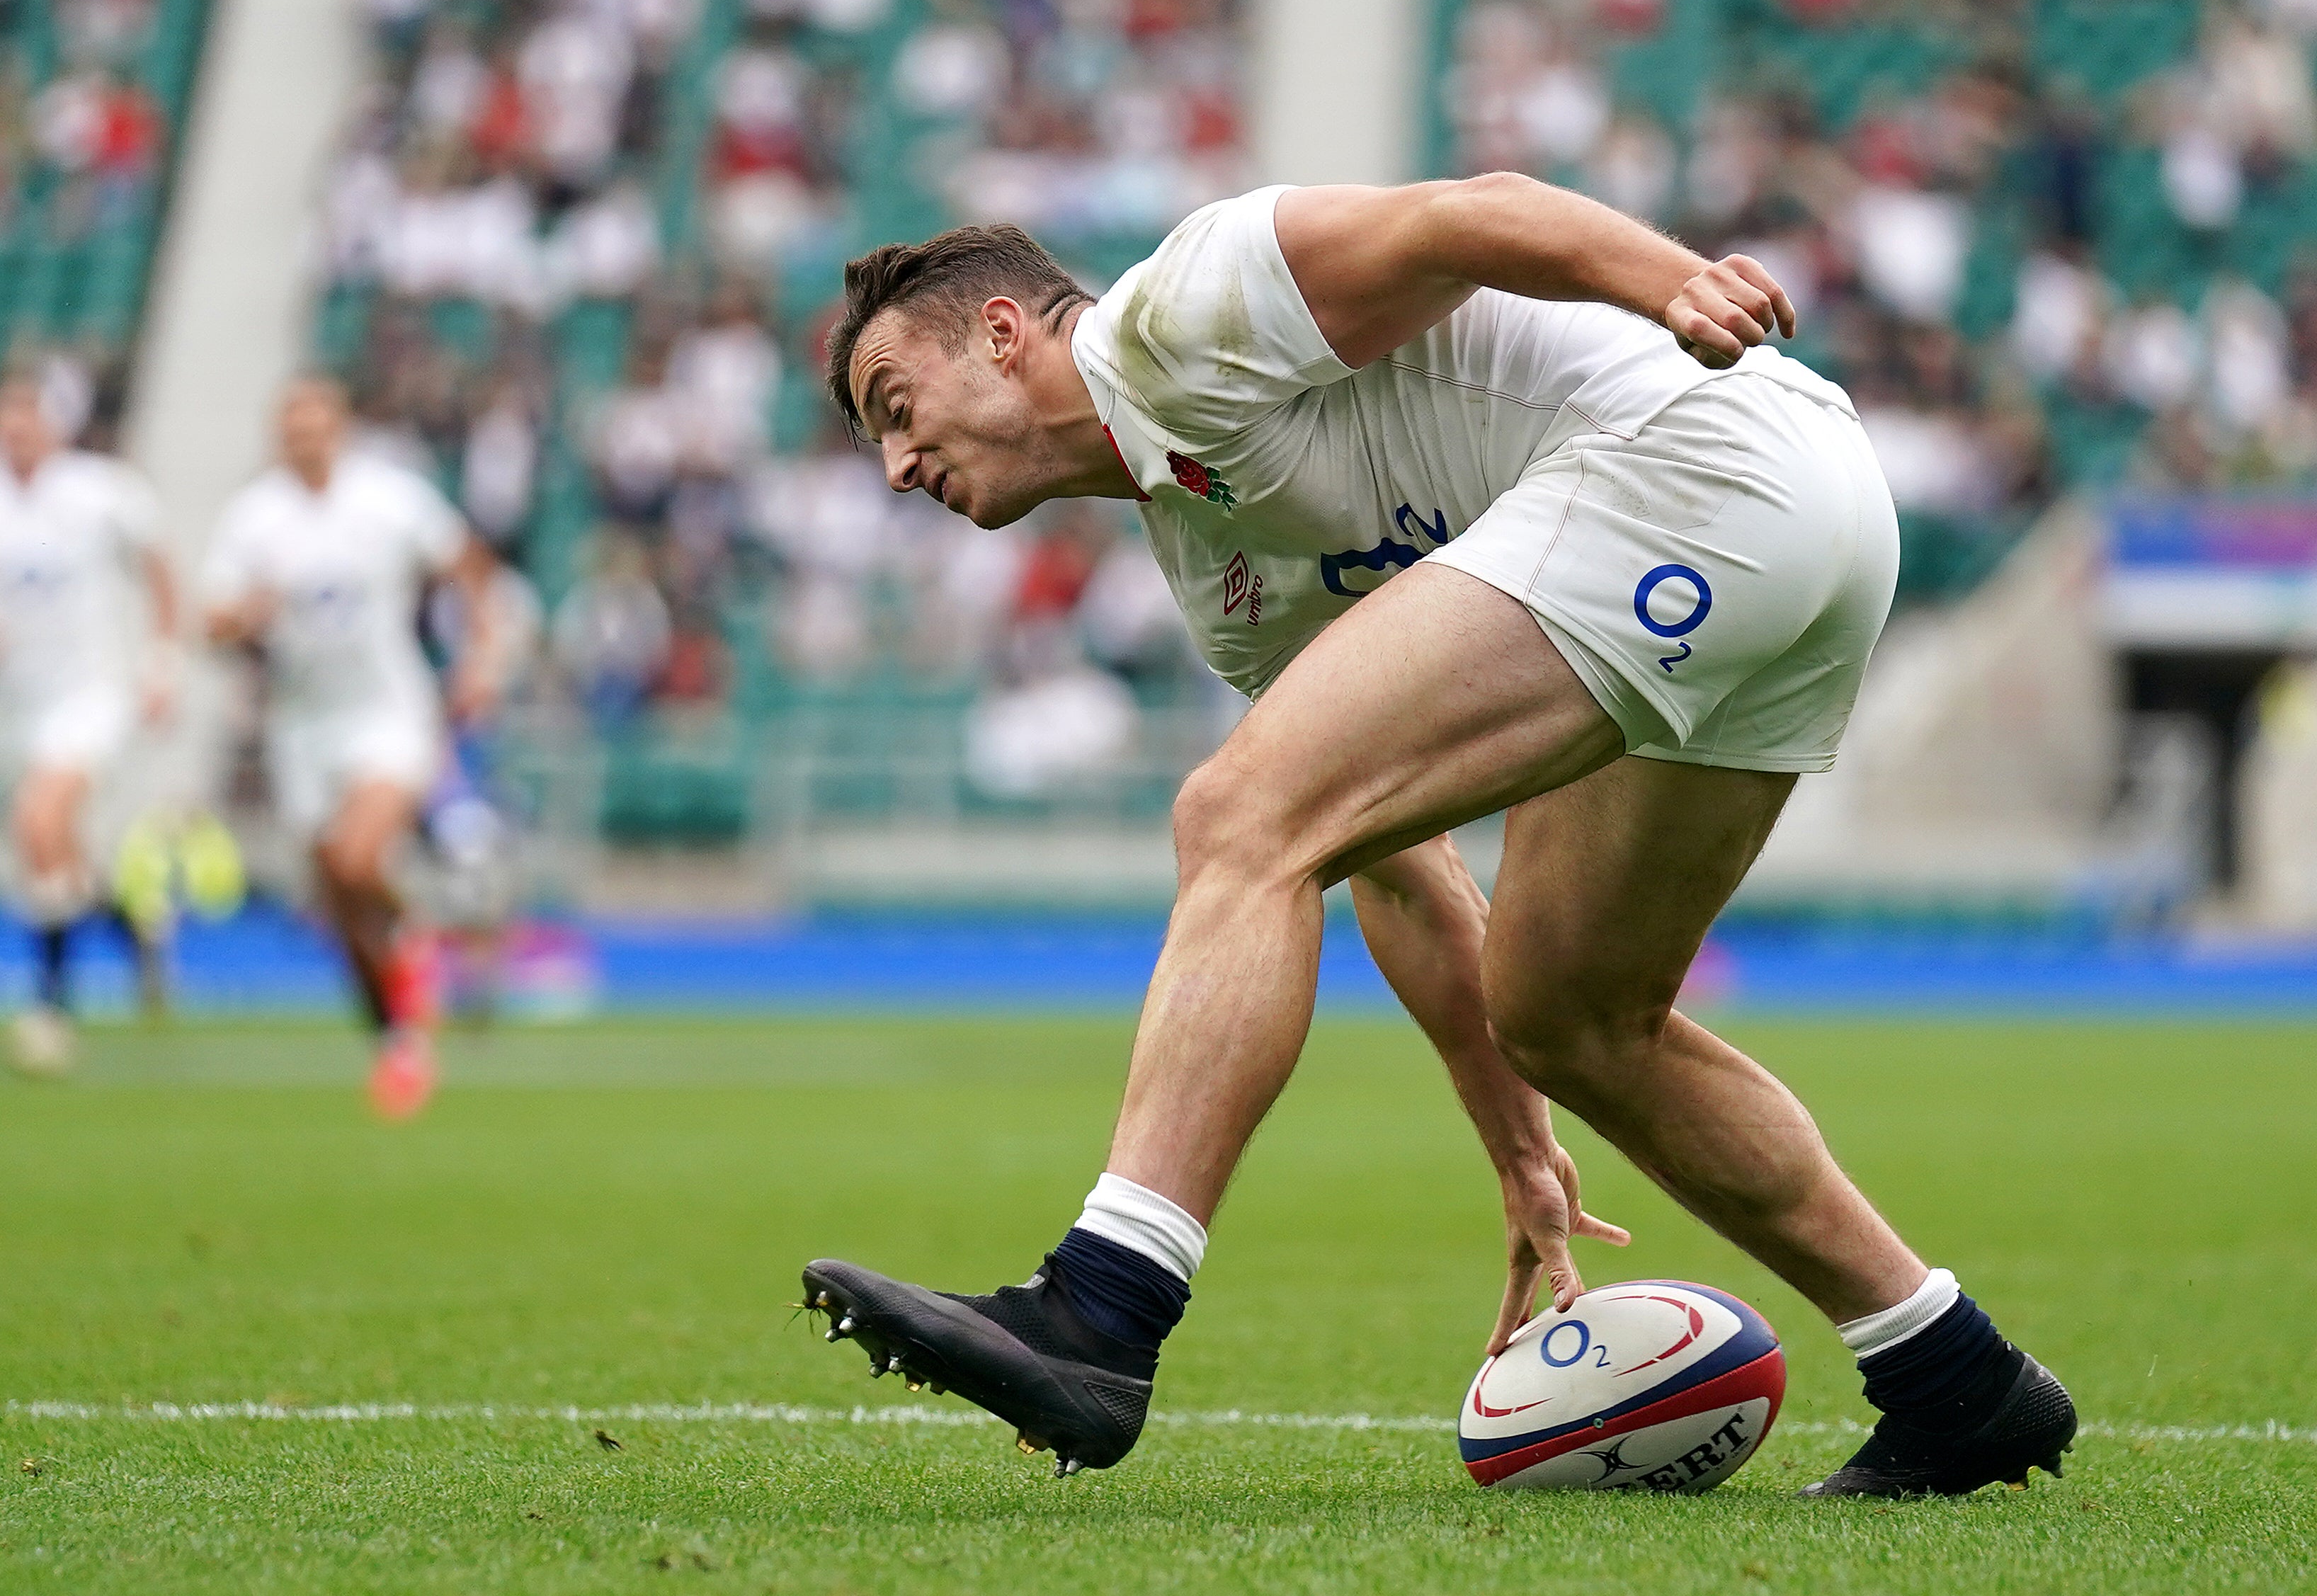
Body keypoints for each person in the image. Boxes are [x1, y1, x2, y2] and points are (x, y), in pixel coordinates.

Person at [799, 176, 2078, 1497]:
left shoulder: (1175, 316)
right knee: (1570, 1014)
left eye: (898, 408)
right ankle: (1955, 1378)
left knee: (1234, 812)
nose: (897, 468)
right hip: (1799, 534)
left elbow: (1469, 216)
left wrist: (1669, 278)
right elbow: (1397, 877)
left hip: (1705, 462)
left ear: (1004, 333)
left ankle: (1102, 1310)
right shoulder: (1220, 576)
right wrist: (1523, 1154)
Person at [203, 379, 504, 1119]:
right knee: (338, 905)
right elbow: (213, 623)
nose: (307, 440)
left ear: (340, 429)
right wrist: (245, 615)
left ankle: (422, 933)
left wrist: (480, 658)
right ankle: (398, 1039)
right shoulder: (255, 518)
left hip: (387, 714)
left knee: (356, 857)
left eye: (318, 426)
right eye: (293, 429)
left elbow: (470, 567)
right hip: (301, 729)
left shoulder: (390, 499)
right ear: (280, 437)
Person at [0, 378, 181, 1074]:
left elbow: (161, 569)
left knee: (38, 822)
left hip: (91, 694)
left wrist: (161, 664)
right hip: (19, 704)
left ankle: (52, 1008)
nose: (16, 432)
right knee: (55, 856)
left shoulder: (102, 491)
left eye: (27, 417)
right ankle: (132, 927)